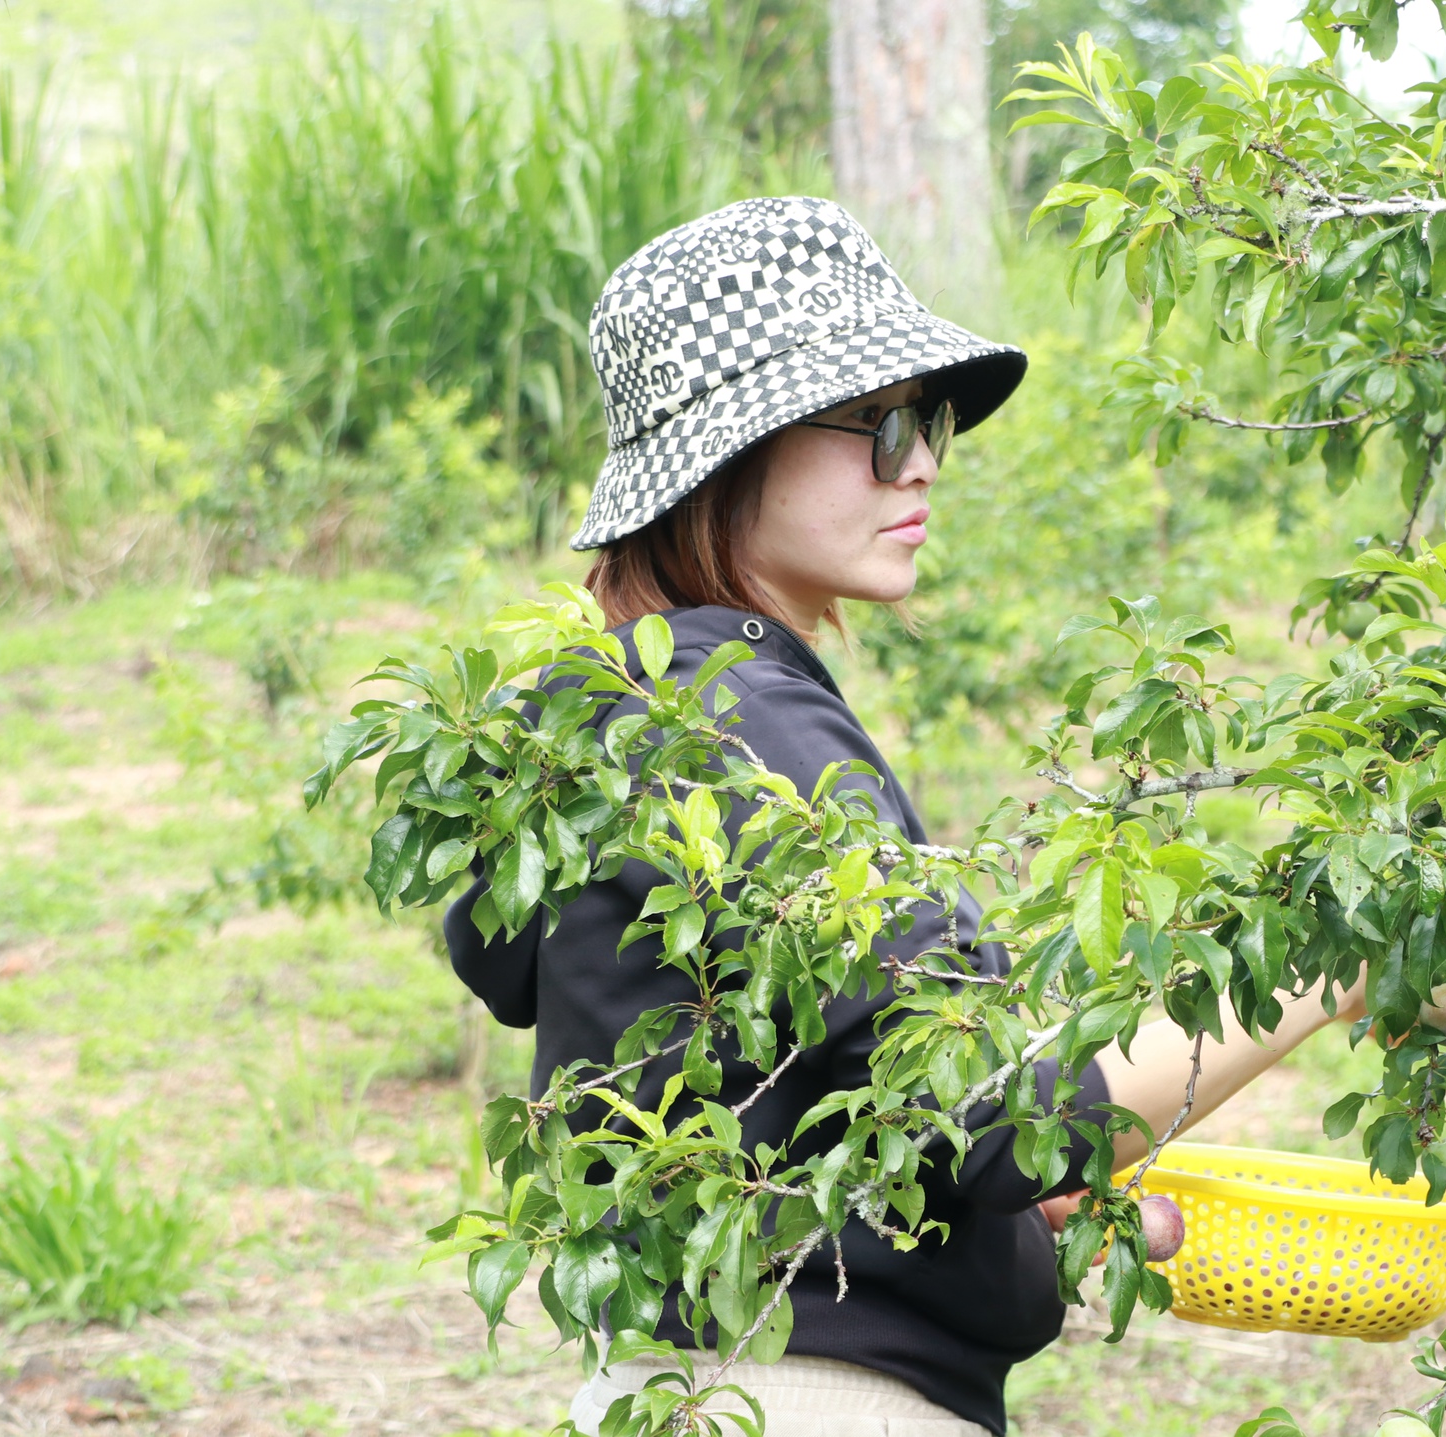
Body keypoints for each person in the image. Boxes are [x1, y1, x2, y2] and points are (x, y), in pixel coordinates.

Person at [443, 197, 1363, 1437]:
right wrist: (1334, 963)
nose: (921, 459)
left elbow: (818, 1114)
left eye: (926, 422)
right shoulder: (747, 727)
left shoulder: (612, 723)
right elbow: (993, 1120)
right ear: (731, 450)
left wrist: (1005, 1239)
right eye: (878, 426)